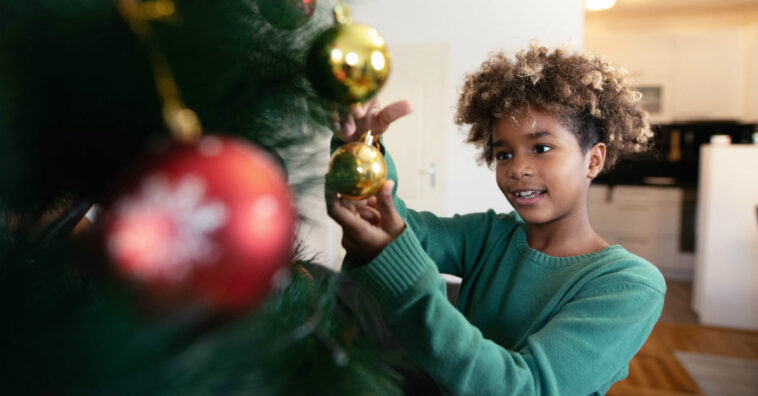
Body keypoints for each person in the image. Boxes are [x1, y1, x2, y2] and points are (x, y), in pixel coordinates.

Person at [325, 44, 666, 396]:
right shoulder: (489, 236)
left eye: (541, 148)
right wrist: (361, 150)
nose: (517, 168)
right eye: (503, 154)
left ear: (593, 160)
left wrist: (409, 288)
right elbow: (398, 225)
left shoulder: (628, 284)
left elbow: (526, 388)